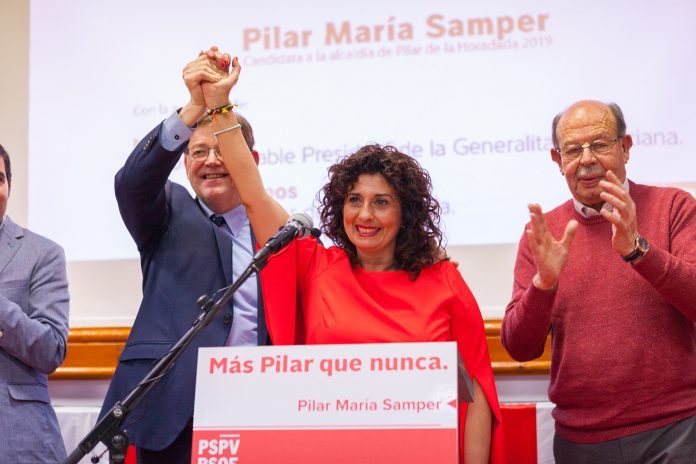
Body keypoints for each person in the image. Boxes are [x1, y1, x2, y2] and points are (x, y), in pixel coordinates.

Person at [193, 48, 504, 463]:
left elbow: (478, 390)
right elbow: (253, 195)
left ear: (404, 211)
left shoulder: (443, 279)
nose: (364, 214)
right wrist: (220, 108)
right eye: (354, 200)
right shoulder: (317, 267)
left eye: (381, 202)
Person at [501, 100, 696, 462]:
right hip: (581, 441)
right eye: (573, 150)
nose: (587, 159)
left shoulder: (674, 206)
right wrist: (543, 285)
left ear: (626, 147)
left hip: (677, 429)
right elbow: (519, 348)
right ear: (557, 161)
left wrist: (638, 250)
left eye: (601, 144)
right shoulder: (544, 233)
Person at [99, 53, 269, 464]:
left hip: (262, 408)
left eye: (222, 150)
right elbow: (133, 182)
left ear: (251, 160)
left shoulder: (278, 228)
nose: (210, 161)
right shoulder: (166, 211)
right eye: (197, 152)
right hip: (175, 410)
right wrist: (193, 108)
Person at [0, 144, 70, 462]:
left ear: (9, 187)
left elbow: (50, 350)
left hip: (17, 439)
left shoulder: (42, 254)